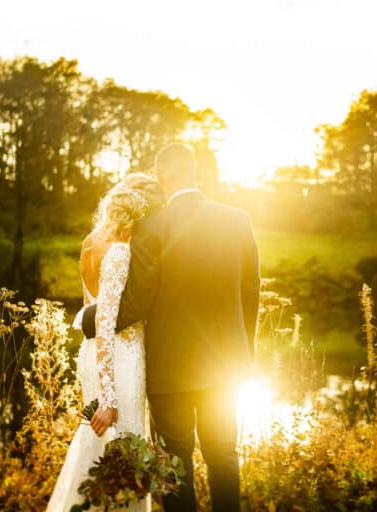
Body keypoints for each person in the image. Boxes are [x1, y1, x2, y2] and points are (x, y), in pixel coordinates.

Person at [82, 143, 261, 512]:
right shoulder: (237, 220)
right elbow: (250, 294)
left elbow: (138, 302)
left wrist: (88, 319)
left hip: (171, 372)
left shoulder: (153, 226)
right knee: (224, 456)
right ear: (195, 173)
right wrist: (247, 352)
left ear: (162, 178)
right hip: (226, 366)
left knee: (176, 464)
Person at [47, 173, 165, 512]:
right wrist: (108, 397)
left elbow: (89, 307)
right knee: (123, 446)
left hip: (92, 356)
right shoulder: (119, 251)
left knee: (97, 446)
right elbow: (104, 321)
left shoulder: (90, 241)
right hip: (118, 358)